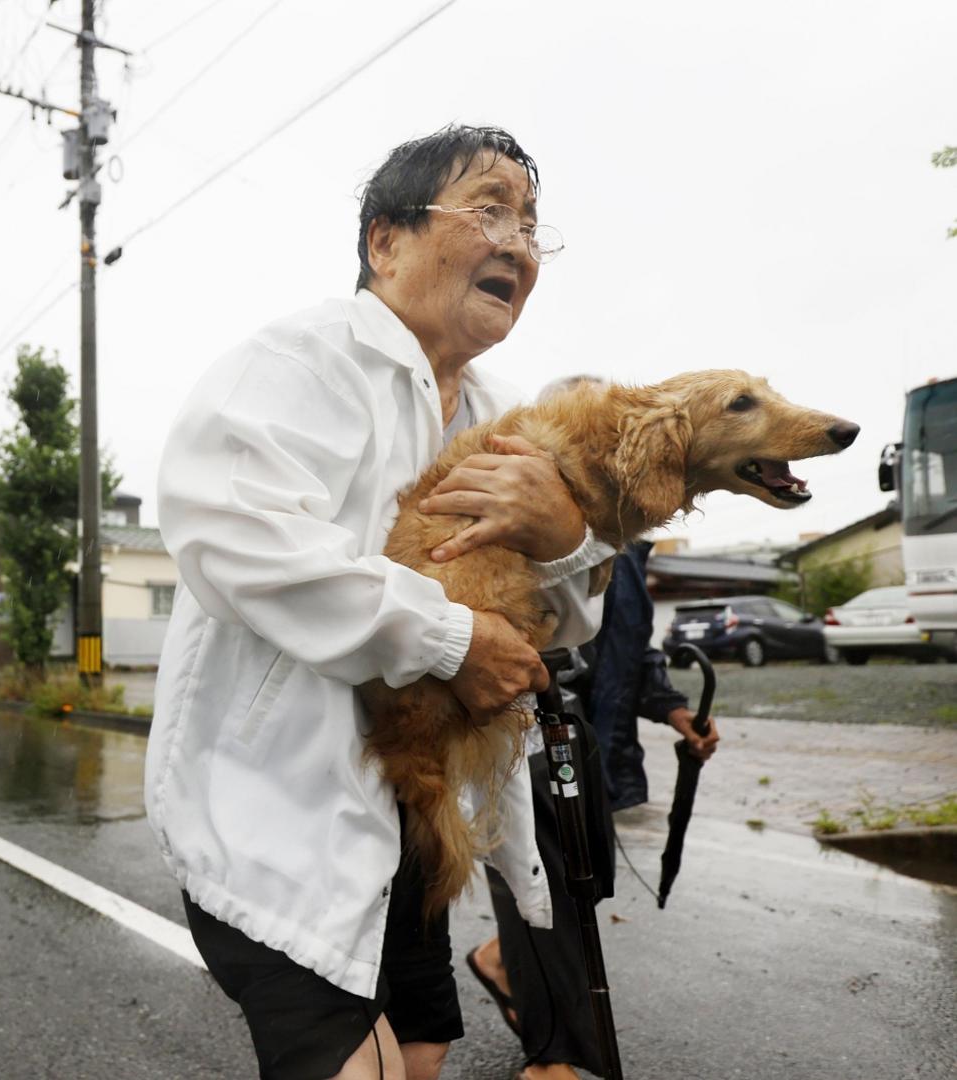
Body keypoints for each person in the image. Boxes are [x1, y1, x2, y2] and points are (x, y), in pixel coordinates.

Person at [146, 125, 614, 1080]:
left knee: (426, 1044)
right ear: (384, 241)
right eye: (488, 208)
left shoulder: (505, 415)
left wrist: (568, 538)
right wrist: (446, 639)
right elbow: (232, 534)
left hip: (411, 812)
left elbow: (557, 621)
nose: (519, 244)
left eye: (531, 224)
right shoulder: (301, 362)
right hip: (277, 810)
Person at [468, 537, 721, 1080]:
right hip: (516, 729)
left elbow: (631, 645)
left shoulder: (624, 540)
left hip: (578, 729)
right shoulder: (532, 498)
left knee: (583, 882)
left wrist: (675, 710)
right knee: (544, 885)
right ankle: (549, 1059)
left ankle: (501, 959)